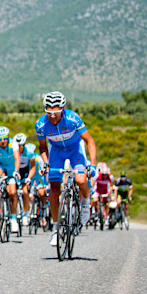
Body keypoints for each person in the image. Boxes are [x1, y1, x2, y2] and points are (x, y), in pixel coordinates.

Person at [35, 91, 97, 247]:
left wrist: (93, 165)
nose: (52, 116)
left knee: (80, 179)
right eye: (49, 112)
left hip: (75, 149)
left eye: (56, 112)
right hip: (56, 152)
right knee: (54, 189)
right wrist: (46, 163)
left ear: (62, 109)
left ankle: (85, 202)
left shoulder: (73, 119)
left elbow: (90, 141)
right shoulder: (41, 125)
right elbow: (43, 147)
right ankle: (56, 230)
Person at [0, 126, 21, 233]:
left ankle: (13, 219)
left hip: (11, 168)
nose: (2, 141)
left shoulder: (13, 143)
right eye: (0, 139)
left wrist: (16, 171)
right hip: (0, 166)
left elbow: (17, 159)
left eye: (4, 138)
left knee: (12, 192)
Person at [26, 143, 48, 227]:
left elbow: (43, 169)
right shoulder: (25, 157)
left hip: (39, 178)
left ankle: (44, 211)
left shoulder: (38, 158)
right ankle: (27, 213)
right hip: (30, 177)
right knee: (27, 194)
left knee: (41, 193)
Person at [13, 133, 33, 227]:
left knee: (25, 192)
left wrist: (28, 178)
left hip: (25, 171)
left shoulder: (29, 152)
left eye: (21, 146)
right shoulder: (12, 150)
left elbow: (33, 167)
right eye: (17, 146)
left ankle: (25, 213)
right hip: (13, 170)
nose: (19, 148)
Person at [94, 163, 114, 227]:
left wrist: (109, 193)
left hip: (105, 191)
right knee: (95, 201)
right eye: (103, 175)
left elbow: (111, 186)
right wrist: (93, 192)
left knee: (107, 204)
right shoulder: (98, 176)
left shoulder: (110, 177)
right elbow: (93, 183)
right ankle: (96, 213)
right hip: (98, 191)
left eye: (106, 175)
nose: (105, 176)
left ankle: (106, 217)